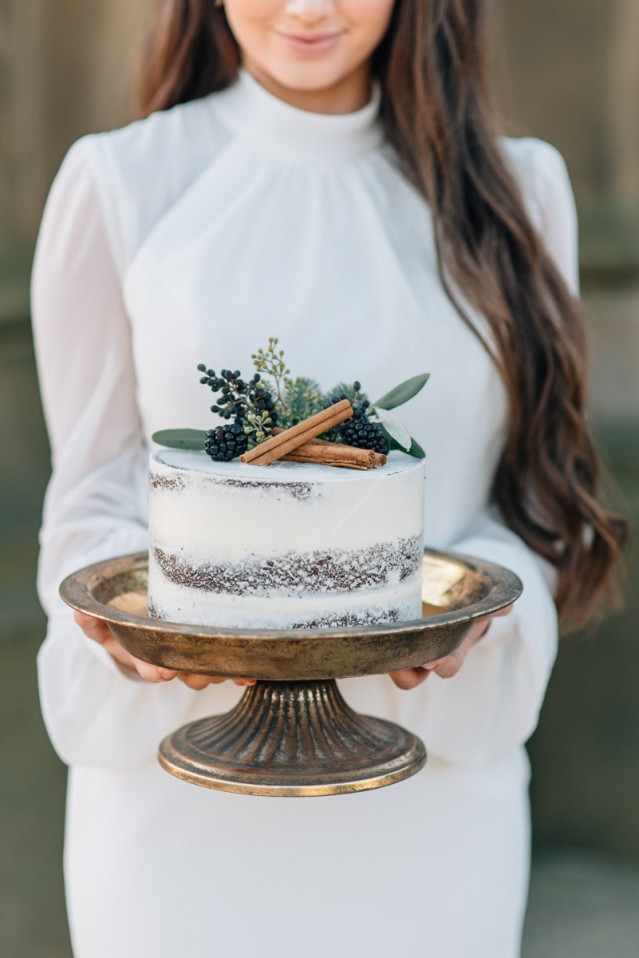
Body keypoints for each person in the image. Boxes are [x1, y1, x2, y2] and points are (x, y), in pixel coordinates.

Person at [32, 1, 625, 956]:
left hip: (427, 789)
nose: (308, 8)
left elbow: (531, 497)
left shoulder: (522, 190)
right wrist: (135, 630)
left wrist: (470, 609)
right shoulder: (121, 183)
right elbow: (93, 490)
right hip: (176, 793)